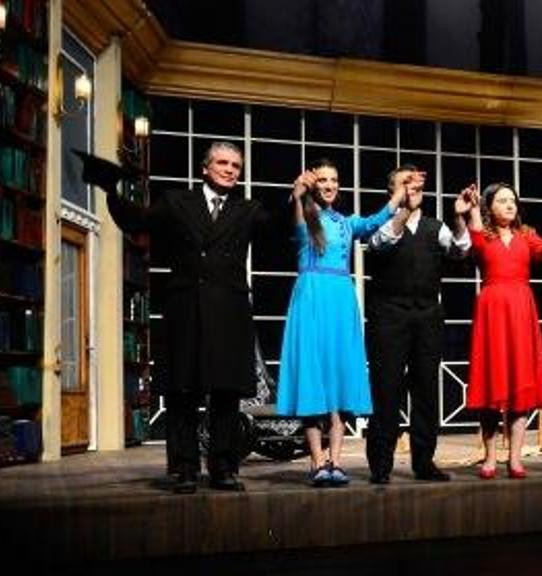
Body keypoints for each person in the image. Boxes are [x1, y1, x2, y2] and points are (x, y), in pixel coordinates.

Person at [93, 141, 288, 494]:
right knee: (182, 391)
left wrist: (298, 198)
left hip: (229, 311)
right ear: (205, 168)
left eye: (236, 166)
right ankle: (184, 469)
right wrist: (110, 189)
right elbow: (137, 220)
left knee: (226, 393)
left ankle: (223, 468)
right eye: (223, 163)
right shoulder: (176, 202)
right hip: (186, 309)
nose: (230, 170)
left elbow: (279, 228)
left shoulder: (248, 210)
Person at [279, 158, 397, 486]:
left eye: (334, 180)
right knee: (314, 376)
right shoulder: (305, 215)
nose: (329, 185)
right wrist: (297, 192)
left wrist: (400, 195)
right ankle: (317, 462)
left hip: (341, 299)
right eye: (323, 180)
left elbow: (376, 221)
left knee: (339, 376)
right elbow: (296, 215)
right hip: (312, 298)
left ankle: (336, 461)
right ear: (312, 184)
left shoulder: (345, 223)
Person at [364, 165, 471, 483]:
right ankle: (381, 465)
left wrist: (459, 218)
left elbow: (460, 250)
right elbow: (381, 244)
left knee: (426, 389)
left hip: (427, 316)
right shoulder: (381, 222)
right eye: (404, 184)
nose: (412, 188)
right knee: (386, 389)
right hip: (389, 316)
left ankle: (424, 462)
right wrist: (402, 209)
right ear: (393, 191)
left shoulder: (434, 227)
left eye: (416, 184)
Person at [464, 183, 542, 479]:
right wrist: (473, 209)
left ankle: (515, 458)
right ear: (489, 207)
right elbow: (474, 238)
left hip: (521, 309)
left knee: (519, 384)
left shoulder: (526, 235)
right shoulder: (484, 235)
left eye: (512, 200)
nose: (510, 205)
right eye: (502, 201)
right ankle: (489, 457)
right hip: (492, 309)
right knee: (491, 383)